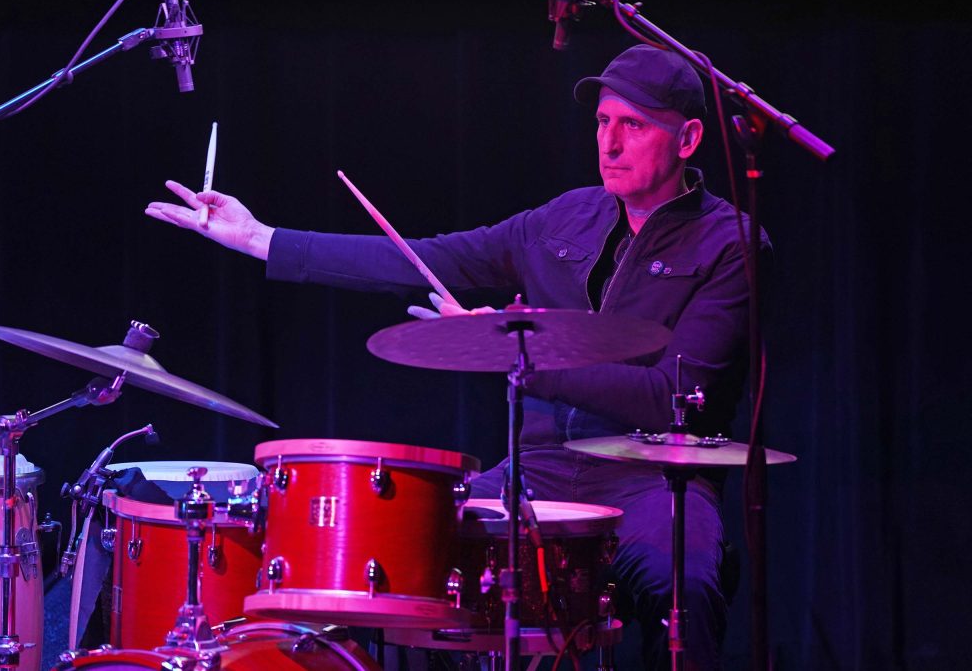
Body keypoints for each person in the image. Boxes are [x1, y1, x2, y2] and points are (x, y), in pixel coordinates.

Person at [145, 44, 768, 670]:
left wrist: (519, 351)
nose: (609, 143)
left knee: (679, 584)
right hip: (540, 468)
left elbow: (669, 395)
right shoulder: (564, 219)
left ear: (687, 139)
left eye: (632, 125)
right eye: (603, 122)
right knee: (400, 555)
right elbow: (422, 257)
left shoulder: (730, 243)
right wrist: (263, 240)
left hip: (652, 480)